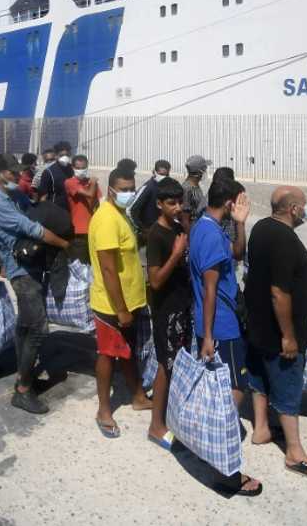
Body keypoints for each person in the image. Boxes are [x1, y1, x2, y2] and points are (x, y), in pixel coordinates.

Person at [245, 186, 307, 480]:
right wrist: (289, 335)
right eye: (304, 205)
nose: (306, 210)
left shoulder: (261, 227)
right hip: (277, 333)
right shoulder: (283, 239)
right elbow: (279, 292)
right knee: (287, 388)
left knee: (259, 379)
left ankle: (261, 429)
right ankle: (294, 453)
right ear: (293, 209)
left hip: (257, 327)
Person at [188, 175, 262, 496]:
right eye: (240, 202)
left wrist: (241, 224)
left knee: (223, 388)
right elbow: (210, 288)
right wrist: (207, 335)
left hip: (219, 323)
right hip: (222, 326)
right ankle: (224, 467)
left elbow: (236, 254)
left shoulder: (207, 227)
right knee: (233, 390)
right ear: (230, 202)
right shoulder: (211, 236)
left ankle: (210, 443)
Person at [0, 153, 69, 414]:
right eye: (12, 173)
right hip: (20, 270)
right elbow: (32, 228)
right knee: (39, 328)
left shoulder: (15, 195)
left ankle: (25, 375)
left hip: (34, 265)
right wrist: (67, 245)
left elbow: (35, 208)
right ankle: (22, 390)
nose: (18, 176)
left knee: (25, 327)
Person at [89, 167, 153, 437]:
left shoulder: (121, 215)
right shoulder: (106, 219)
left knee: (127, 351)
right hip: (112, 306)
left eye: (131, 188)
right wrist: (121, 308)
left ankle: (137, 396)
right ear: (111, 189)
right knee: (108, 355)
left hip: (130, 301)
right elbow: (107, 270)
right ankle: (104, 410)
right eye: (123, 189)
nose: (128, 193)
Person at [144, 177, 194, 450]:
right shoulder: (156, 235)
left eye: (179, 202)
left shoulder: (177, 228)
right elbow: (155, 281)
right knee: (166, 364)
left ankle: (169, 417)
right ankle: (156, 426)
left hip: (182, 306)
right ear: (159, 204)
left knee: (177, 364)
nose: (177, 207)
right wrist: (176, 254)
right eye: (171, 203)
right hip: (166, 311)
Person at [64, 154, 101, 261]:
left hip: (93, 228)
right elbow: (89, 194)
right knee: (81, 264)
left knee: (92, 263)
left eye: (83, 168)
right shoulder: (70, 182)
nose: (81, 170)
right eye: (78, 168)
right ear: (73, 168)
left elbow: (97, 202)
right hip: (78, 230)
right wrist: (93, 183)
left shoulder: (91, 183)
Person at [129, 159, 172, 235]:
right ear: (154, 172)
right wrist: (143, 230)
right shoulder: (148, 187)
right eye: (160, 175)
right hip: (148, 232)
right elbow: (131, 210)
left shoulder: (166, 187)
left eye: (166, 175)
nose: (163, 177)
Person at [38, 141, 74, 209]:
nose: (65, 157)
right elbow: (43, 196)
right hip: (55, 209)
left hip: (71, 208)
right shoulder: (48, 172)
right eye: (62, 155)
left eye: (67, 155)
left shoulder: (73, 169)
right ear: (56, 155)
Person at [181, 155, 210, 230]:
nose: (206, 171)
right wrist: (190, 238)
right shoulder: (187, 189)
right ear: (200, 172)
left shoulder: (195, 186)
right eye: (205, 169)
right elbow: (185, 219)